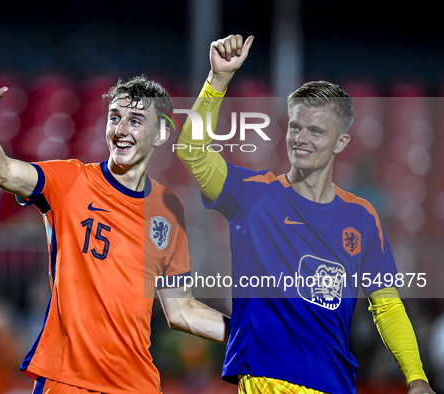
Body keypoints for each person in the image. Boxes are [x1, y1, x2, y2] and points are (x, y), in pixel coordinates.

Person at [0, 48, 229, 394]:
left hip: (137, 385)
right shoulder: (71, 181)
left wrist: (244, 332)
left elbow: (182, 311)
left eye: (135, 120)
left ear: (161, 134)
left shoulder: (168, 208)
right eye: (114, 117)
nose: (121, 129)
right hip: (69, 380)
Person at [176, 34, 435, 394]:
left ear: (341, 142)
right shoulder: (253, 195)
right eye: (296, 127)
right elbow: (193, 151)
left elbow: (387, 307)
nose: (301, 138)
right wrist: (217, 80)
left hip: (335, 384)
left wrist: (416, 376)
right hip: (268, 379)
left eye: (316, 131)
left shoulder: (361, 217)